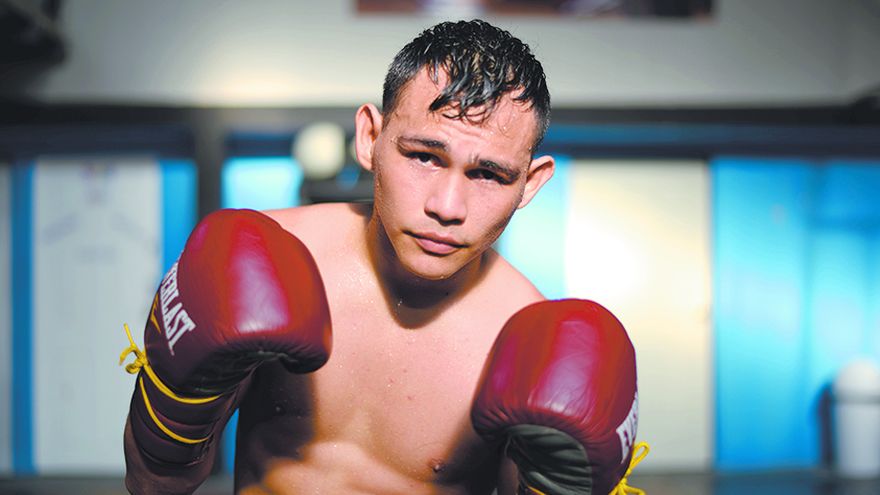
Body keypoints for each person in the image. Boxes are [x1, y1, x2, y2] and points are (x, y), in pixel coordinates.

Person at [119, 19, 644, 495]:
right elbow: (154, 483)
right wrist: (172, 418)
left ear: (530, 184)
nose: (447, 207)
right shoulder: (267, 259)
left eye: (488, 174)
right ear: (370, 138)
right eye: (424, 156)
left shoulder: (524, 340)